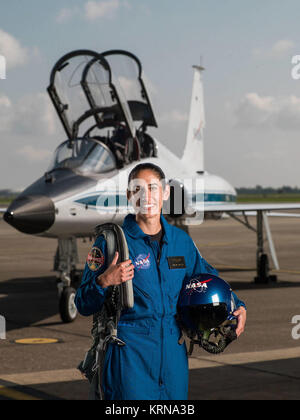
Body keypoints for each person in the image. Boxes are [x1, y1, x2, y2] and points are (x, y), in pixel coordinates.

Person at [75, 163, 246, 400]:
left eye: (153, 188)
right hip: (128, 357)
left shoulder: (181, 242)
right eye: (138, 189)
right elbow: (82, 303)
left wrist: (238, 305)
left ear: (165, 193)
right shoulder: (111, 243)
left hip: (173, 357)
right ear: (129, 195)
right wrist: (104, 281)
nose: (146, 196)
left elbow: (207, 277)